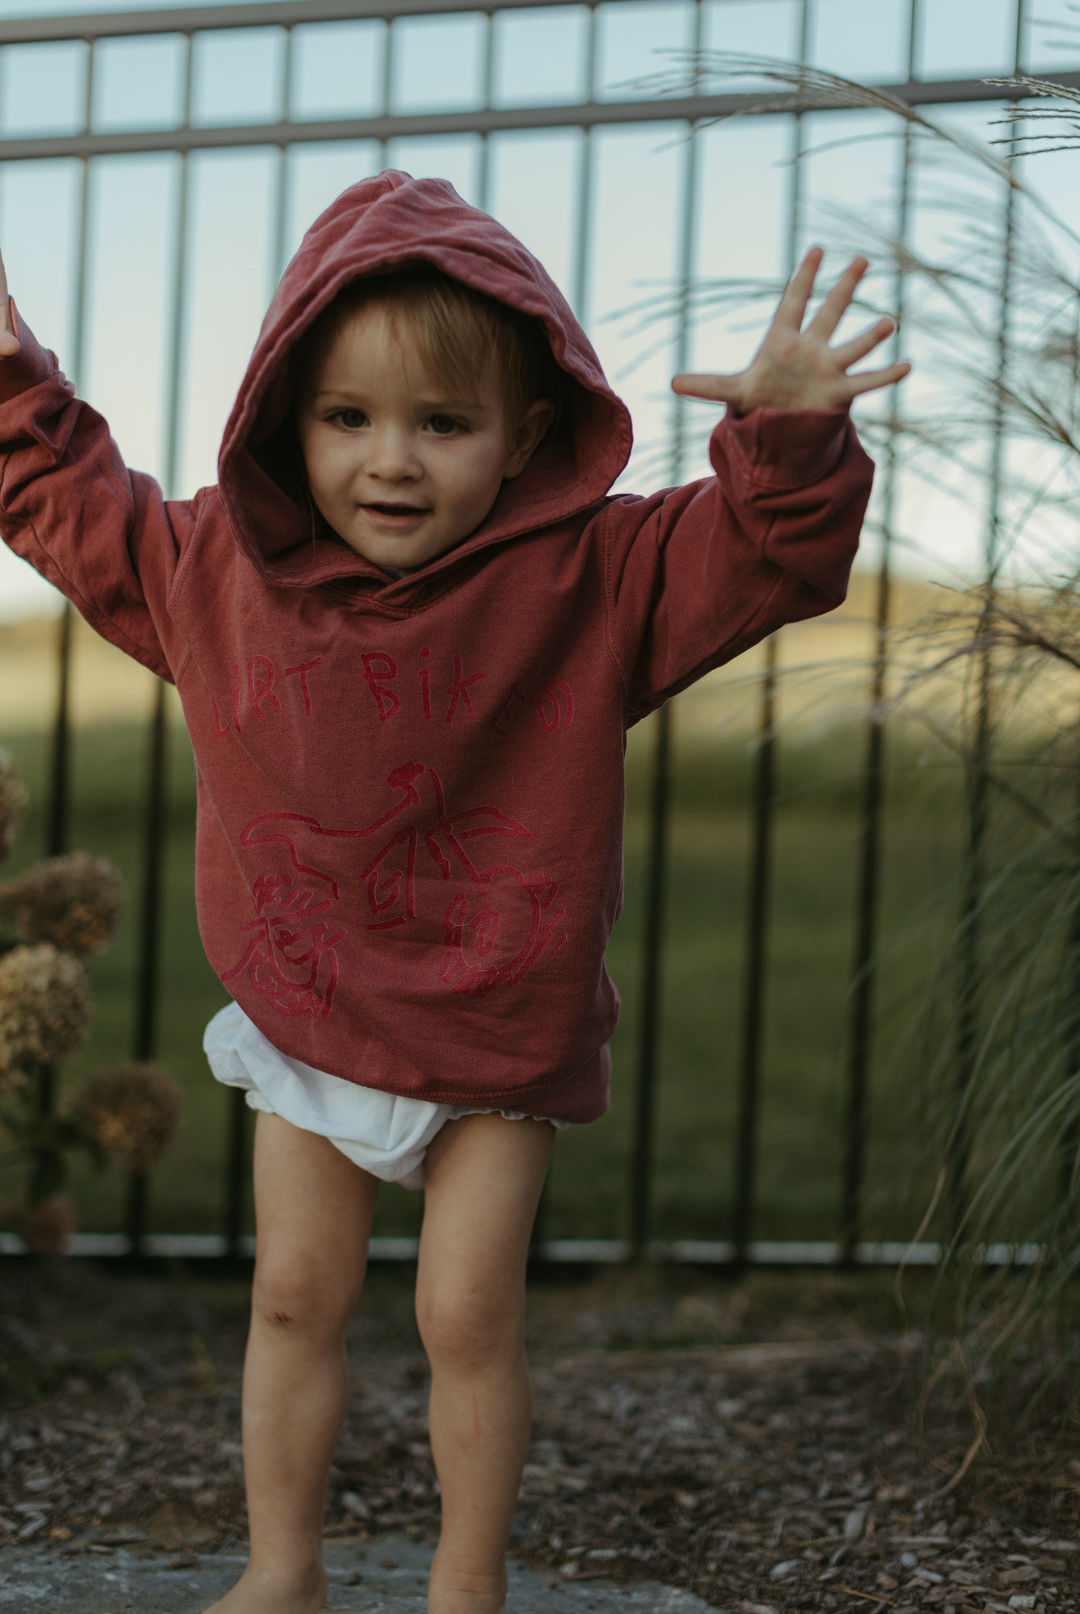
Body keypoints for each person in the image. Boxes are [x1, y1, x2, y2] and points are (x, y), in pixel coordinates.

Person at [0, 170, 908, 1614]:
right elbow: (66, 500)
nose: (392, 461)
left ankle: (465, 1583)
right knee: (293, 1295)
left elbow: (770, 554)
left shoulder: (595, 579)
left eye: (443, 422)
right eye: (348, 418)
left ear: (527, 433)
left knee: (464, 1311)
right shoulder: (215, 572)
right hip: (309, 1008)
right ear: (287, 421)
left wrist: (790, 435)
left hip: (497, 1022)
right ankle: (283, 1570)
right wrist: (10, 377)